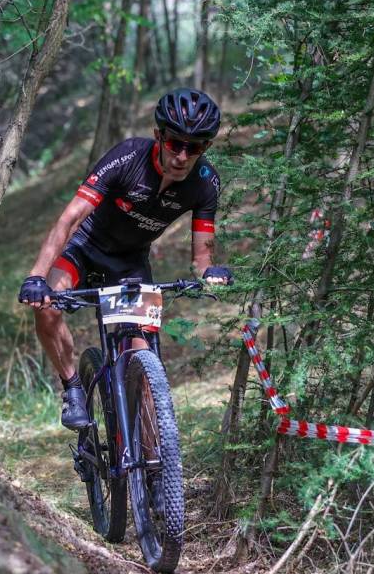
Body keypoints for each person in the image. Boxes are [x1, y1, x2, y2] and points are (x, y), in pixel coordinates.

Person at [18, 88, 232, 430]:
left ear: (205, 147)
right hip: (84, 248)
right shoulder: (128, 157)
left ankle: (152, 453)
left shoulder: (205, 183)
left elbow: (202, 256)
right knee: (47, 308)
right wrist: (36, 276)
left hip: (130, 262)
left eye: (194, 147)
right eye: (175, 143)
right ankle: (72, 386)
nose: (182, 155)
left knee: (144, 360)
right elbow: (70, 219)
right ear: (158, 135)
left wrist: (209, 273)